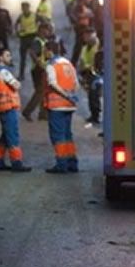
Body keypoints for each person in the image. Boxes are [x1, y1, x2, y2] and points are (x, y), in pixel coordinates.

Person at [0, 48, 31, 173]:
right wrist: (17, 82)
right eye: (7, 55)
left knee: (5, 136)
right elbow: (16, 85)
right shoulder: (3, 71)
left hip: (2, 108)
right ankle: (16, 163)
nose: (10, 57)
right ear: (0, 57)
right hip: (8, 108)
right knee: (13, 135)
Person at [43, 41, 80, 173]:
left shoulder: (51, 65)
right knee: (67, 135)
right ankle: (72, 163)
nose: (44, 53)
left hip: (57, 105)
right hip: (69, 105)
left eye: (44, 50)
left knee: (58, 136)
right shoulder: (68, 63)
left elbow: (52, 84)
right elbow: (76, 83)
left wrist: (64, 94)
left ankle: (61, 164)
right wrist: (71, 96)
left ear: (49, 50)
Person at [22, 23, 51, 121]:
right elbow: (32, 52)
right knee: (40, 92)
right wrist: (38, 62)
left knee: (43, 92)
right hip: (39, 70)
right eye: (45, 30)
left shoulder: (45, 41)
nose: (47, 32)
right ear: (41, 31)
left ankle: (43, 114)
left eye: (48, 30)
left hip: (43, 69)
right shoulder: (37, 42)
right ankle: (27, 111)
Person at [79, 27, 101, 124]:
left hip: (96, 75)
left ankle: (96, 116)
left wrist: (86, 66)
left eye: (87, 35)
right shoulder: (85, 47)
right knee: (91, 96)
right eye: (84, 36)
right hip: (87, 74)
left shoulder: (99, 47)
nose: (85, 37)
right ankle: (93, 115)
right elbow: (82, 60)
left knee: (95, 96)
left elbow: (99, 62)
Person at [15, 2, 38, 80]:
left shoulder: (34, 15)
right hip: (24, 38)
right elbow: (16, 24)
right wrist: (17, 32)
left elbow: (43, 20)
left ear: (29, 8)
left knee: (34, 57)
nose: (24, 9)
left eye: (25, 8)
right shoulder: (21, 16)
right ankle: (21, 75)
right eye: (23, 8)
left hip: (32, 37)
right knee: (23, 58)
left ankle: (38, 73)